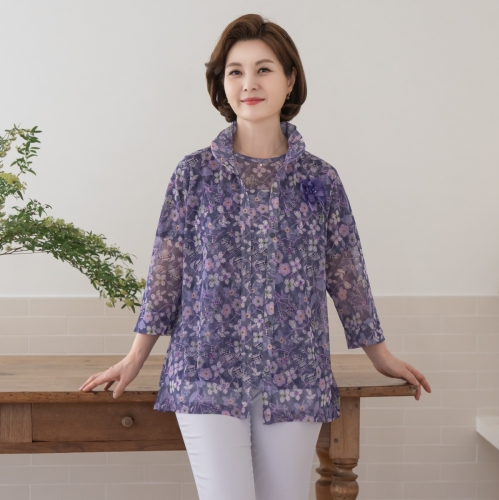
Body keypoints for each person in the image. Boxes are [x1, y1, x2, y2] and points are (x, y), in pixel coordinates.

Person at [79, 13, 431, 500]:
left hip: (296, 375)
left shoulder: (320, 180)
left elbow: (345, 272)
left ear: (290, 80)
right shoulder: (193, 175)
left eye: (264, 69)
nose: (249, 83)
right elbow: (166, 272)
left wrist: (381, 355)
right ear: (222, 85)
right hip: (204, 371)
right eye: (235, 71)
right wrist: (135, 357)